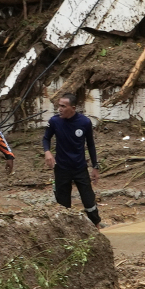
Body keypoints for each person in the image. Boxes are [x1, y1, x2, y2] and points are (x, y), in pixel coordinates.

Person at [43, 92, 103, 228]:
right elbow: (46, 138)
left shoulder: (84, 122)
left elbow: (91, 145)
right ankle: (66, 230)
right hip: (62, 168)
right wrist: (47, 152)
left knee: (88, 199)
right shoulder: (54, 121)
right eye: (59, 106)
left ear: (73, 108)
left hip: (79, 167)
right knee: (63, 202)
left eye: (63, 106)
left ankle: (96, 225)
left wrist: (95, 166)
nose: (60, 109)